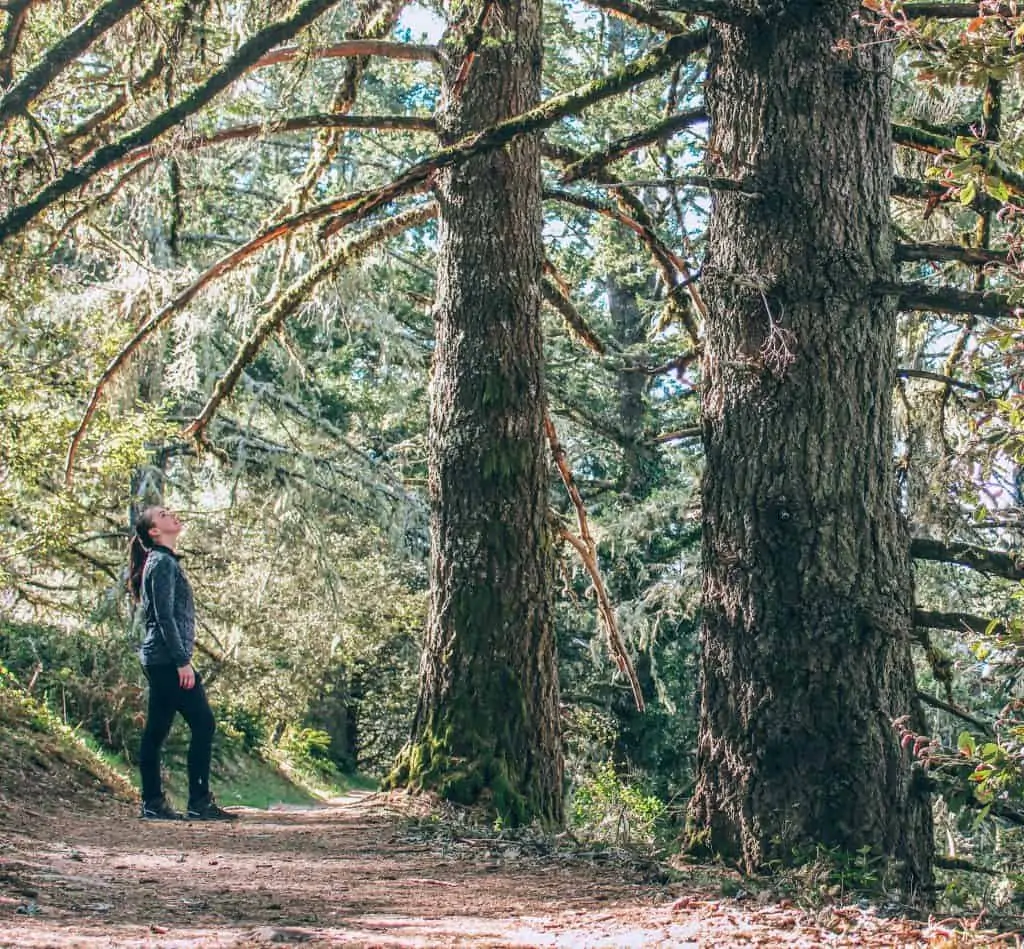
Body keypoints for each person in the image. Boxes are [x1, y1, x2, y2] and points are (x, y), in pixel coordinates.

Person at [128, 506, 237, 821]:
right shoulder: (161, 562)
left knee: (157, 731)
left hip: (161, 659)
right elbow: (164, 617)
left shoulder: (164, 561)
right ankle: (197, 802)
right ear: (153, 531)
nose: (171, 515)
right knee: (203, 723)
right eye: (162, 514)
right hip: (166, 660)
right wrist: (182, 661)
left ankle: (154, 803)